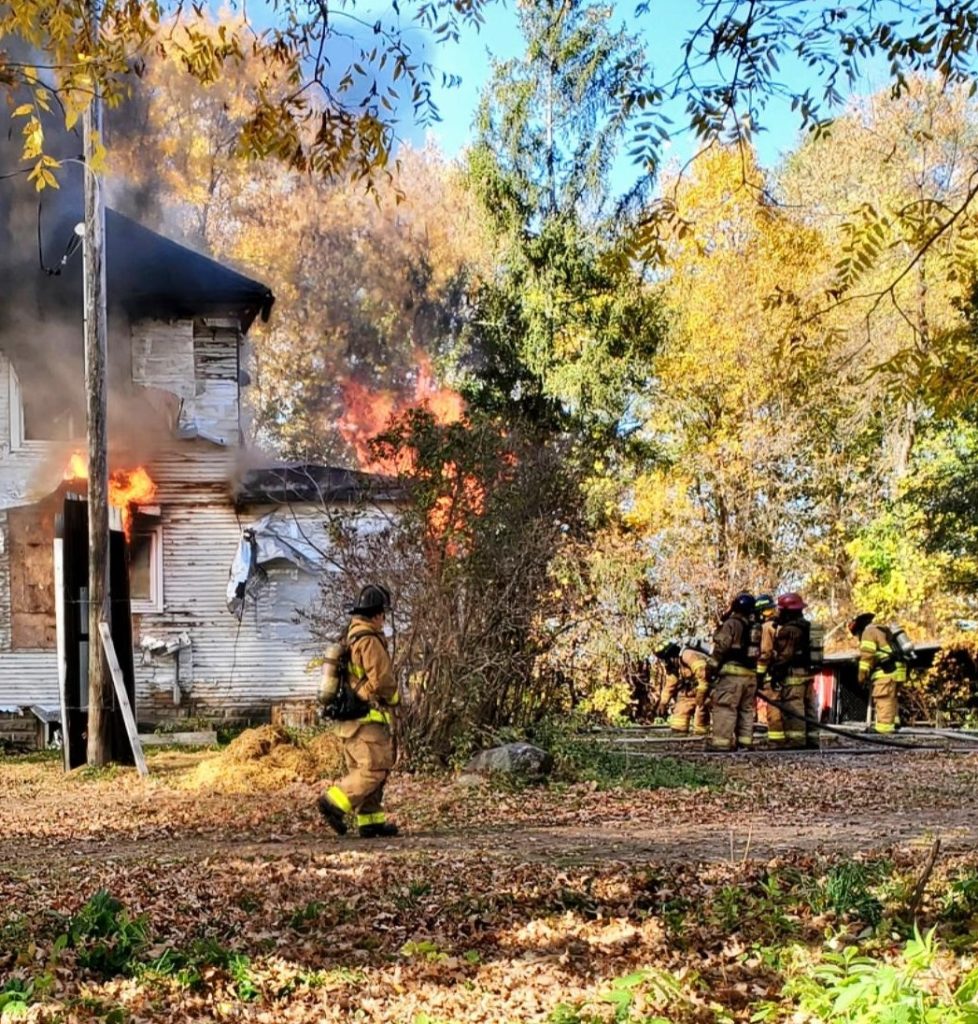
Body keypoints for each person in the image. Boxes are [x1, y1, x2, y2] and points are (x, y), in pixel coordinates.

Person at [318, 584, 400, 838]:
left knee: (370, 770)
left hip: (351, 722)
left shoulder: (350, 636)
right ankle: (333, 802)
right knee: (373, 770)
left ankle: (370, 821)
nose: (384, 620)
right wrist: (395, 700)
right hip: (366, 720)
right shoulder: (369, 641)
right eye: (383, 614)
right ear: (376, 615)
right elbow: (383, 681)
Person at [707, 592, 757, 751]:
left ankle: (722, 745)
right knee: (746, 710)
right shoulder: (754, 627)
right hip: (750, 676)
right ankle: (745, 743)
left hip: (732, 677)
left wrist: (711, 668)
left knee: (725, 707)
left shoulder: (731, 624)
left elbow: (721, 647)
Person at [767, 592, 814, 749]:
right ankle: (812, 740)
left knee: (794, 706)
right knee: (809, 707)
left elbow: (785, 655)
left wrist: (775, 670)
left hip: (794, 674)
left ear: (787, 611)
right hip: (808, 673)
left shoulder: (789, 630)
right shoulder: (808, 627)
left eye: (781, 610)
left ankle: (796, 741)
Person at [848, 611, 905, 733]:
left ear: (859, 629)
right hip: (898, 669)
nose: (858, 637)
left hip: (886, 670)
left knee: (883, 697)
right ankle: (894, 722)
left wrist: (861, 677)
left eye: (857, 634)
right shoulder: (881, 629)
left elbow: (866, 658)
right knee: (891, 697)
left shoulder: (868, 633)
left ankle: (884, 728)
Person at [655, 642, 711, 735]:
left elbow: (703, 673)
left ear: (673, 656)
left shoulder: (688, 655)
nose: (665, 663)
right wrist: (663, 703)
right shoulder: (675, 667)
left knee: (701, 710)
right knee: (681, 708)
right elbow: (670, 685)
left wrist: (701, 694)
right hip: (693, 690)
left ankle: (700, 737)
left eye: (666, 660)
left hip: (708, 687)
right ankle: (679, 735)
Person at [753, 594, 784, 746]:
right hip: (785, 673)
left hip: (772, 674)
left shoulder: (766, 628)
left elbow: (765, 653)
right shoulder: (782, 625)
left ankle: (776, 741)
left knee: (774, 707)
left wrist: (759, 675)